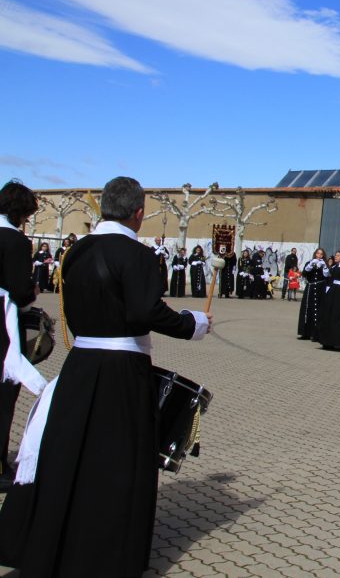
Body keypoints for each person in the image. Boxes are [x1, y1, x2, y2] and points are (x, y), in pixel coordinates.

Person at [0, 176, 210, 577]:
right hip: (123, 371)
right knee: (119, 461)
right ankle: (105, 555)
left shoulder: (75, 252)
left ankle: (53, 543)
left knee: (68, 456)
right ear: (138, 213)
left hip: (80, 365)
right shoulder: (138, 254)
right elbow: (145, 311)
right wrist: (192, 324)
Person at [0, 181, 45, 492]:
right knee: (3, 394)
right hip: (2, 323)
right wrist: (33, 291)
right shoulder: (14, 242)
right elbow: (19, 289)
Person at [297, 248, 329, 341]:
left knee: (318, 310)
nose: (319, 255)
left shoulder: (324, 264)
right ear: (315, 254)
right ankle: (305, 333)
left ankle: (316, 334)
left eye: (321, 254)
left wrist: (324, 267)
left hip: (320, 288)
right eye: (318, 253)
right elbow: (305, 273)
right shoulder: (309, 262)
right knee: (308, 309)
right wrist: (311, 265)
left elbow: (327, 275)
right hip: (310, 288)